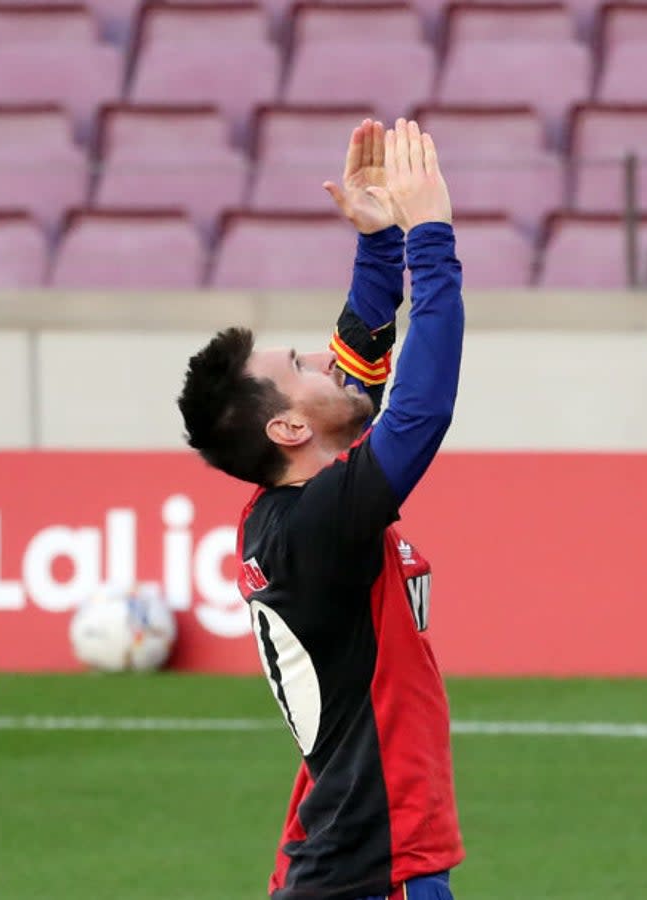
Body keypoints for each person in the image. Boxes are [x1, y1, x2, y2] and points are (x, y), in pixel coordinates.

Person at [177, 117, 465, 900]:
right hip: (377, 868)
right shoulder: (317, 521)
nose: (322, 358)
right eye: (301, 364)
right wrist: (430, 234)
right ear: (289, 427)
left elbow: (361, 373)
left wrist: (378, 242)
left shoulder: (295, 507)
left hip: (343, 861)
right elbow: (418, 409)